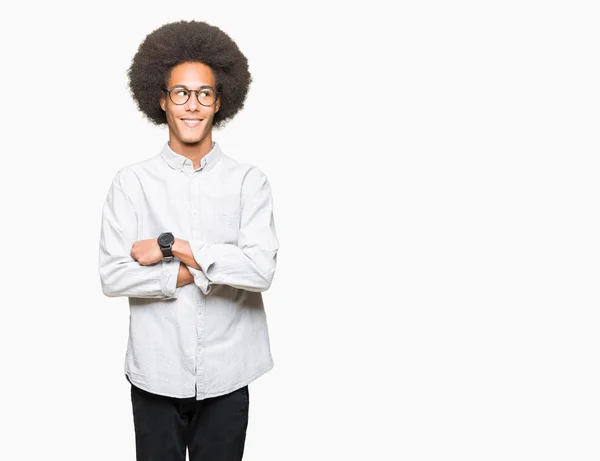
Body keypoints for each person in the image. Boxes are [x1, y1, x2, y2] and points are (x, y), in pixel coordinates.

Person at [98, 20, 279, 461]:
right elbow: (113, 275)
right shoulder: (131, 184)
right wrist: (198, 270)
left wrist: (171, 246)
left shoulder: (249, 183)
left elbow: (259, 270)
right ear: (161, 100)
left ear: (220, 102)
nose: (192, 105)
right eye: (180, 93)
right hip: (155, 374)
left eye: (204, 94)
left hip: (228, 374)